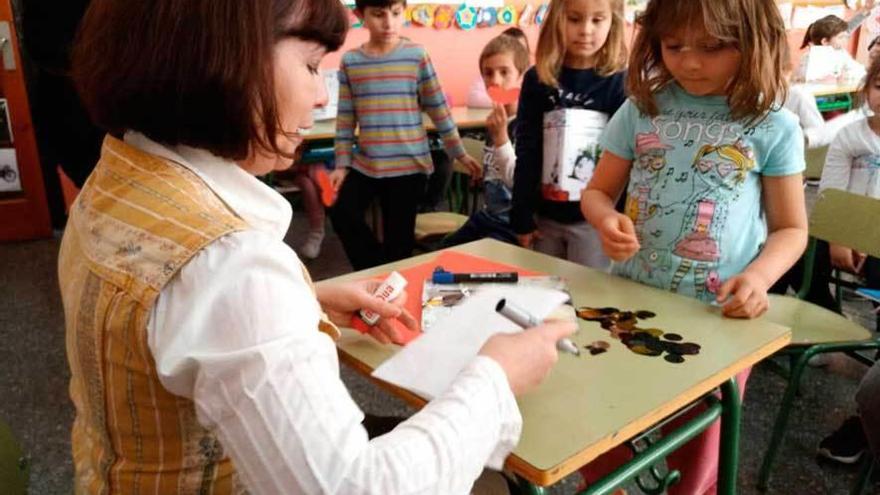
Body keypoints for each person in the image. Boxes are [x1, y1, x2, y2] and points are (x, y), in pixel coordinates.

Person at [60, 1, 576, 493]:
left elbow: (170, 319)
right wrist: (496, 376)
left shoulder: (116, 179)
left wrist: (308, 296)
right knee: (497, 476)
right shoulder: (229, 267)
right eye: (310, 66)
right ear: (222, 57)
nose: (320, 96)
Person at [578, 0, 807, 492]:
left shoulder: (774, 125)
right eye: (674, 45)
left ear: (754, 41)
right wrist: (606, 217)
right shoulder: (642, 108)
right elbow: (597, 192)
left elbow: (792, 229)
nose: (690, 62)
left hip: (718, 318)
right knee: (605, 432)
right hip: (632, 306)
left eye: (712, 46)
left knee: (698, 451)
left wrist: (760, 277)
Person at [329, 0, 481, 270]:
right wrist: (342, 164)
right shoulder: (351, 61)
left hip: (408, 167)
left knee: (398, 244)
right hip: (368, 165)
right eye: (378, 14)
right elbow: (345, 117)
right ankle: (379, 270)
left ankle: (389, 282)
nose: (389, 23)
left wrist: (459, 152)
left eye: (396, 14)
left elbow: (438, 108)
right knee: (343, 212)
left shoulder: (416, 55)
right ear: (359, 15)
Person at [510, 0, 628, 269]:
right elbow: (527, 150)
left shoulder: (619, 83)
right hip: (546, 218)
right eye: (574, 19)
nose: (585, 30)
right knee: (546, 293)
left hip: (594, 222)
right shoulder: (538, 79)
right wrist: (522, 215)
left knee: (589, 299)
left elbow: (626, 157)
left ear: (613, 22)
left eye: (597, 20)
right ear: (557, 20)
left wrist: (618, 218)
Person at [443, 35, 529, 247]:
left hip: (511, 225)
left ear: (521, 76)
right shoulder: (495, 121)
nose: (495, 81)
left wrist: (501, 138)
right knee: (443, 253)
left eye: (504, 72)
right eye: (488, 74)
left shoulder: (527, 126)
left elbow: (522, 182)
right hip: (487, 216)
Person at [466, 27, 532, 109]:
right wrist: (507, 100)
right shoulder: (489, 68)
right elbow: (473, 98)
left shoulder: (536, 77)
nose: (495, 81)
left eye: (504, 72)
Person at [796, 14, 866, 84]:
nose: (845, 41)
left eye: (846, 37)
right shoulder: (809, 57)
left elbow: (860, 71)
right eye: (841, 37)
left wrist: (847, 75)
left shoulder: (841, 53)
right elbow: (803, 77)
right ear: (825, 41)